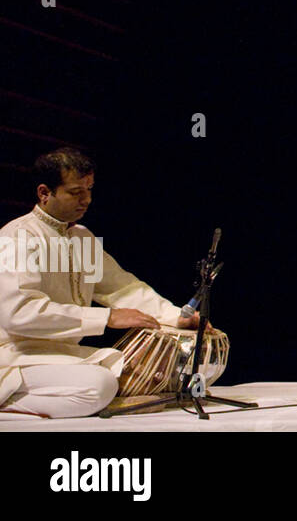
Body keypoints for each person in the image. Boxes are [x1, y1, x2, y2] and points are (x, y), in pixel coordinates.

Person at [0, 148, 207, 417]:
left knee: (161, 373)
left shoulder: (81, 237)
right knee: (100, 385)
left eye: (89, 189)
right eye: (76, 192)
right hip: (15, 357)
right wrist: (106, 318)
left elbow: (122, 288)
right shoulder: (17, 237)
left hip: (61, 356)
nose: (86, 199)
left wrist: (176, 317)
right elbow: (20, 312)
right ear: (44, 193)